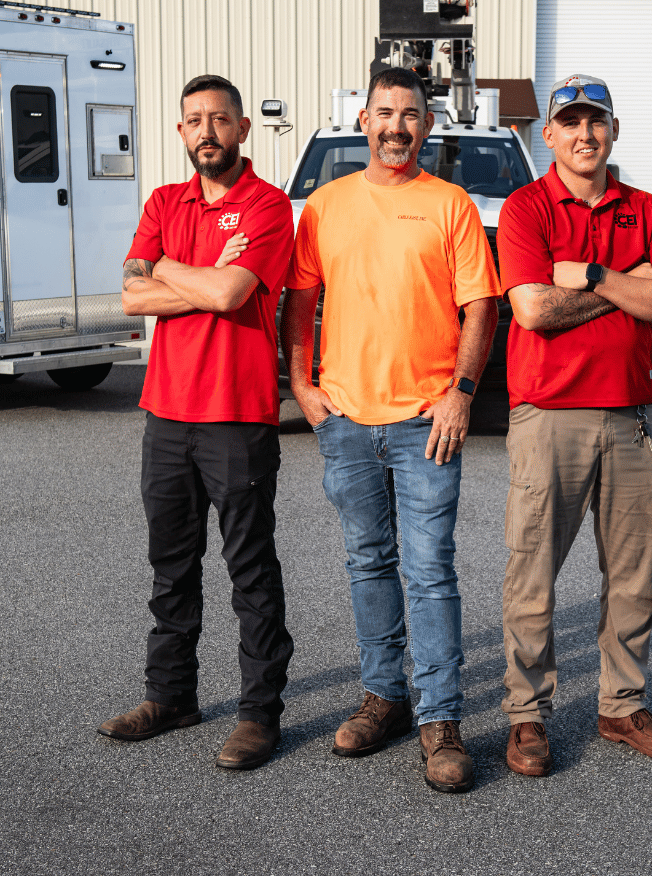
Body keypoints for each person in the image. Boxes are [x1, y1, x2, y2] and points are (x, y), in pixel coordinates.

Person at [281, 67, 500, 793]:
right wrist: (303, 387)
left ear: (428, 126)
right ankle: (385, 697)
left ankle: (441, 720)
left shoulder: (451, 205)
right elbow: (300, 301)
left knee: (430, 569)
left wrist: (462, 394)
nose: (397, 127)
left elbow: (481, 307)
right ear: (363, 121)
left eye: (410, 114)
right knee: (367, 563)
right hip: (345, 420)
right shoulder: (324, 205)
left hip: (425, 423)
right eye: (385, 113)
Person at [496, 74, 652, 776]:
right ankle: (526, 716)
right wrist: (631, 287)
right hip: (549, 417)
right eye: (570, 123)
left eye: (596, 122)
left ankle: (621, 704)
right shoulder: (525, 208)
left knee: (635, 574)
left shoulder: (646, 209)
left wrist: (599, 275)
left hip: (635, 417)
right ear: (547, 134)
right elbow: (534, 312)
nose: (585, 135)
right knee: (533, 573)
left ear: (613, 130)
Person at [99, 74, 295, 772]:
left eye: (219, 119)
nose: (205, 131)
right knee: (171, 568)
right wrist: (199, 280)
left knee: (251, 573)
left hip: (236, 420)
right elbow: (129, 294)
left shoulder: (269, 207)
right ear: (180, 133)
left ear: (242, 130)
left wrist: (171, 272)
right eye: (193, 121)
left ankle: (258, 714)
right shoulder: (163, 200)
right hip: (166, 417)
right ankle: (170, 696)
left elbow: (231, 292)